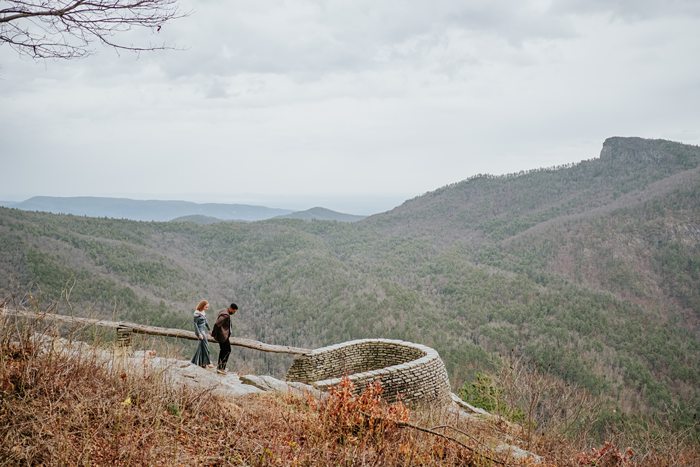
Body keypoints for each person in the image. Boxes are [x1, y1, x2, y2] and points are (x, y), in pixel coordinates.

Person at [211, 303, 238, 375]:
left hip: (223, 336)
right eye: (234, 311)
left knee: (223, 350)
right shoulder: (225, 315)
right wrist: (214, 333)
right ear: (231, 309)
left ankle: (220, 367)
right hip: (223, 336)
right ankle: (221, 368)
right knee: (227, 350)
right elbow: (217, 324)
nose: (234, 313)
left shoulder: (224, 311)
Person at [191, 299, 214, 368]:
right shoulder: (197, 314)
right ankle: (208, 362)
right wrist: (199, 334)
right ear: (202, 306)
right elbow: (195, 324)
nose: (207, 308)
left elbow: (206, 322)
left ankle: (198, 362)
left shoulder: (203, 312)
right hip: (200, 331)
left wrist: (209, 329)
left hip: (203, 330)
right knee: (206, 346)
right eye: (206, 307)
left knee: (201, 347)